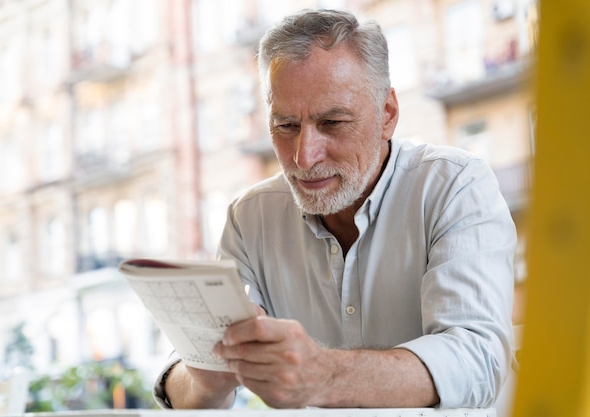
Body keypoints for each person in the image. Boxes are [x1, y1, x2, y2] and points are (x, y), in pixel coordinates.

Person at [154, 8, 516, 410]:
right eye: (286, 125)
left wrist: (323, 375)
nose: (304, 157)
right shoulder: (249, 218)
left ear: (387, 115)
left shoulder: (456, 185)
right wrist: (206, 379)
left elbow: (477, 361)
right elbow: (183, 386)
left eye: (333, 122)